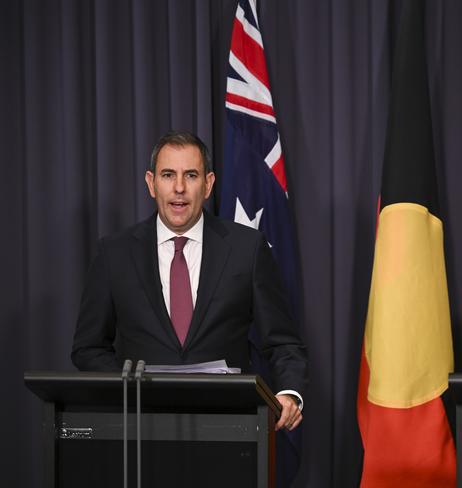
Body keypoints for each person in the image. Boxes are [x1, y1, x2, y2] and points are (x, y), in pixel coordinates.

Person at [71, 130, 307, 431]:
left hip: (230, 430)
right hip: (141, 432)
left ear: (208, 184)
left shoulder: (247, 248)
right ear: (151, 183)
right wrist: (130, 385)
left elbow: (284, 341)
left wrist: (289, 393)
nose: (179, 188)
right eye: (168, 175)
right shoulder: (114, 253)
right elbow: (88, 348)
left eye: (191, 175)